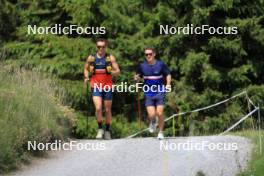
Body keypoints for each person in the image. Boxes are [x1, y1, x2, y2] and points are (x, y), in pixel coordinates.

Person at [84, 38, 120, 140]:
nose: (101, 49)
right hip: (96, 86)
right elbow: (86, 69)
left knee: (107, 110)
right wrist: (86, 77)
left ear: (106, 47)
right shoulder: (92, 58)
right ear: (96, 47)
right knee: (98, 108)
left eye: (103, 47)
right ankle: (100, 129)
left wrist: (110, 72)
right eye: (99, 47)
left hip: (107, 86)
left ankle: (107, 130)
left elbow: (117, 71)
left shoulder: (110, 58)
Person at [134, 47, 171, 140]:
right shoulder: (142, 66)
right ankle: (153, 122)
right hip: (148, 92)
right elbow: (138, 76)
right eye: (146, 54)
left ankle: (161, 132)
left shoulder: (160, 64)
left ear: (154, 54)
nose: (148, 56)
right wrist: (136, 79)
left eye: (150, 54)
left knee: (160, 112)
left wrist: (168, 84)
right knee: (152, 115)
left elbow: (168, 74)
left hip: (160, 91)